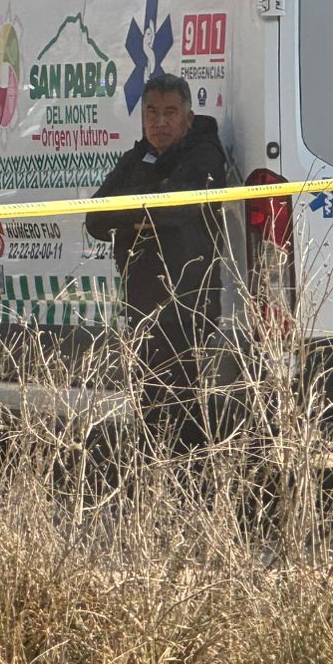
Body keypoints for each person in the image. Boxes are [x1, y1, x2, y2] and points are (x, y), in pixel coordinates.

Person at [87, 72, 227, 452]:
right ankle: (156, 490)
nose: (159, 122)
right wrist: (144, 208)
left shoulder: (204, 153)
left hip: (186, 304)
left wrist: (133, 211)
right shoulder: (137, 158)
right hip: (143, 305)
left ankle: (190, 487)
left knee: (184, 408)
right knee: (149, 409)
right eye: (151, 112)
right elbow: (96, 218)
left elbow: (175, 209)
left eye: (169, 112)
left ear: (186, 116)